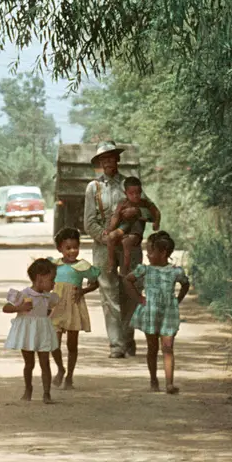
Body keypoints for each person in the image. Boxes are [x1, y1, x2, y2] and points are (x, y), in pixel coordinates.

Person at [83, 140, 138, 357]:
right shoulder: (93, 188)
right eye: (103, 159)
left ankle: (128, 337)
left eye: (111, 157)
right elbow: (89, 222)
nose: (108, 162)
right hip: (103, 247)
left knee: (131, 291)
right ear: (99, 163)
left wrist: (132, 223)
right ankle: (116, 344)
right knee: (109, 295)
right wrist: (106, 238)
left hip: (128, 246)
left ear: (118, 159)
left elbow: (146, 211)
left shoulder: (130, 184)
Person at [124, 230, 190, 393]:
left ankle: (169, 383)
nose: (147, 255)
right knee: (152, 347)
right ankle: (153, 380)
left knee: (168, 347)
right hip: (151, 314)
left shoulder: (175, 271)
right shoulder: (145, 270)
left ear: (163, 253)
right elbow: (128, 280)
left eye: (150, 251)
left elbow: (185, 284)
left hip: (169, 313)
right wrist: (139, 298)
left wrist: (177, 300)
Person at [49, 227, 102, 388]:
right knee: (53, 343)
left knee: (72, 345)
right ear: (60, 249)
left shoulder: (83, 266)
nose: (72, 251)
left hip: (73, 305)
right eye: (68, 248)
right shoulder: (54, 265)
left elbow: (95, 282)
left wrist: (83, 290)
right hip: (56, 306)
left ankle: (70, 376)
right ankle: (60, 368)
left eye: (75, 247)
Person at [3, 256, 60, 402]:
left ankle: (46, 393)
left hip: (42, 331)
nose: (54, 283)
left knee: (45, 362)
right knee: (29, 363)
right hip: (28, 333)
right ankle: (28, 388)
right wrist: (19, 308)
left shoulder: (49, 297)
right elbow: (6, 307)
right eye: (51, 280)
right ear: (40, 278)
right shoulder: (24, 294)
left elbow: (49, 310)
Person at [105, 175, 161, 302]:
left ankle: (124, 269)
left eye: (138, 193)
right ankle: (111, 262)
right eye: (132, 193)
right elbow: (115, 216)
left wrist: (156, 223)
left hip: (136, 230)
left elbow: (156, 212)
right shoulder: (123, 203)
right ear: (126, 193)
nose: (135, 196)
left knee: (127, 242)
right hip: (124, 227)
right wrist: (110, 229)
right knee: (111, 237)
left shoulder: (144, 203)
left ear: (141, 192)